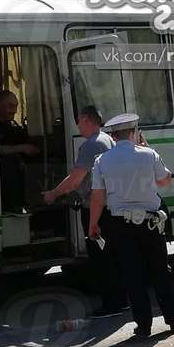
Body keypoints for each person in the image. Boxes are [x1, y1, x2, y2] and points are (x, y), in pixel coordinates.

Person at [88, 112, 174, 341]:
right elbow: (164, 181)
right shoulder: (148, 154)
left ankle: (143, 326)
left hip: (120, 225)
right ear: (134, 133)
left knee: (132, 275)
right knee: (160, 271)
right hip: (150, 224)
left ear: (113, 136)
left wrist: (93, 224)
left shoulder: (102, 161)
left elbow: (97, 197)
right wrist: (148, 149)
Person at [43, 106, 125, 317]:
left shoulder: (92, 144)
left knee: (100, 258)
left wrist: (53, 193)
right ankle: (120, 300)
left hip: (96, 209)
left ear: (88, 120)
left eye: (79, 120)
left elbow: (75, 179)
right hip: (110, 207)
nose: (77, 124)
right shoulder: (107, 139)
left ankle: (111, 304)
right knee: (112, 256)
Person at [0, 89, 38, 213]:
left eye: (16, 106)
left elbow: (11, 143)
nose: (14, 111)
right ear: (0, 106)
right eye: (10, 106)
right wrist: (23, 148)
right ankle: (11, 205)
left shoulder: (8, 123)